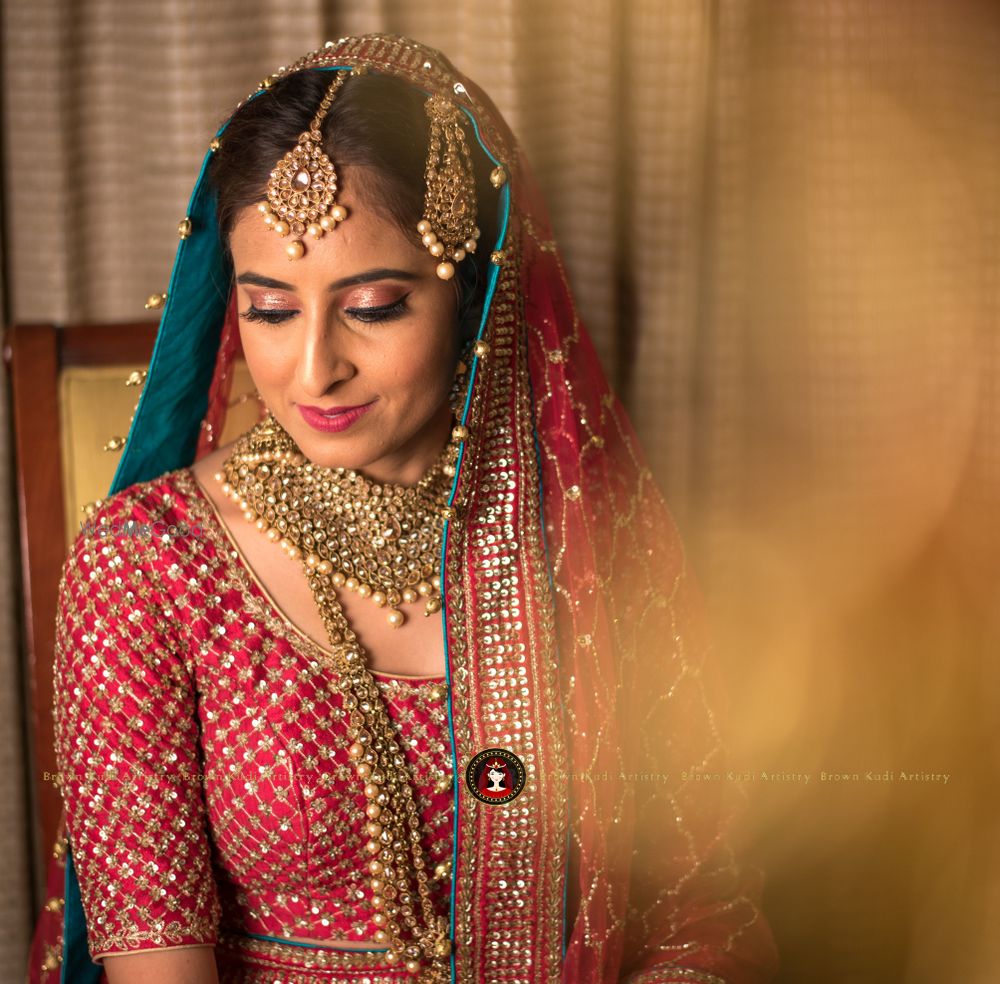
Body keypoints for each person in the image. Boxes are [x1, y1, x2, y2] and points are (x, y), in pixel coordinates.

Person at [25, 34, 779, 984]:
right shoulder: (146, 567)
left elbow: (696, 911)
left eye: (373, 306)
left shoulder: (586, 549)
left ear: (472, 297)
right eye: (269, 309)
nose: (314, 369)